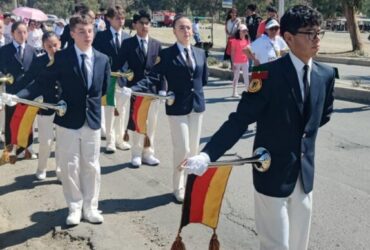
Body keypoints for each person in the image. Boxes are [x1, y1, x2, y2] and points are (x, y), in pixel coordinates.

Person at [184, 5, 334, 250]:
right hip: (271, 171)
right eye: (310, 33)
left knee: (299, 244)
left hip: (304, 175)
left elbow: (322, 116)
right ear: (288, 38)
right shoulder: (267, 74)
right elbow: (240, 120)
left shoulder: (324, 75)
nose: (317, 39)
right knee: (276, 245)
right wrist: (207, 154)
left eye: (319, 32)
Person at [4, 14, 110, 226]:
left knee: (91, 165)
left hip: (91, 120)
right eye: (81, 31)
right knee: (70, 165)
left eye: (90, 31)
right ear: (72, 34)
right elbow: (41, 82)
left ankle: (91, 207)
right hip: (68, 120)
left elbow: (103, 89)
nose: (87, 35)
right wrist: (18, 96)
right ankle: (75, 206)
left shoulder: (102, 59)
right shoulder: (62, 58)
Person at [135, 15, 208, 203]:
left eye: (189, 28)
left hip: (196, 106)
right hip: (177, 108)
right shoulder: (167, 55)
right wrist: (134, 88)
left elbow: (203, 79)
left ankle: (190, 183)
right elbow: (153, 77)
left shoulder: (200, 53)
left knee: (193, 150)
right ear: (174, 31)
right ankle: (179, 186)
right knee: (181, 148)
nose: (186, 31)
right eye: (181, 28)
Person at [118, 10, 162, 168]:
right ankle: (136, 154)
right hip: (135, 90)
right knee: (137, 121)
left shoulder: (156, 44)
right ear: (135, 25)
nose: (144, 26)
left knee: (151, 123)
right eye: (141, 23)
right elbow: (119, 66)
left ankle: (148, 153)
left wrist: (162, 89)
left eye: (147, 23)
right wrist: (124, 84)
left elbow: (161, 69)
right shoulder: (128, 44)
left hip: (152, 91)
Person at [16, 32, 62, 180]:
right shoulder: (39, 61)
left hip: (64, 106)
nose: (53, 49)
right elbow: (31, 83)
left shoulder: (67, 58)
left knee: (62, 141)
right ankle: (41, 168)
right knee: (46, 141)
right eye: (49, 46)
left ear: (59, 43)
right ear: (43, 46)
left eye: (55, 45)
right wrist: (17, 96)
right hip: (45, 106)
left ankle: (60, 171)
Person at [93, 6, 131, 153]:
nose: (121, 21)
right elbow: (97, 57)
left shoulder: (128, 37)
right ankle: (110, 141)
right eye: (117, 18)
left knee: (121, 111)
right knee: (110, 110)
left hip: (123, 80)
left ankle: (120, 139)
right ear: (109, 19)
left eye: (122, 18)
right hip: (108, 80)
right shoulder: (101, 37)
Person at [0, 21, 38, 159]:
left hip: (28, 91)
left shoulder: (32, 50)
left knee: (27, 120)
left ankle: (26, 148)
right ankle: (10, 148)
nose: (22, 35)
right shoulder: (4, 50)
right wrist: (3, 77)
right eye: (19, 32)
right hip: (11, 91)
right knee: (10, 120)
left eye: (25, 32)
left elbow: (35, 72)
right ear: (12, 33)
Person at [230, 24, 252, 97]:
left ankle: (248, 91)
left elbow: (249, 50)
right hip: (236, 61)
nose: (245, 32)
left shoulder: (247, 40)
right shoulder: (234, 41)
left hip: (245, 61)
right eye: (243, 31)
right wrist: (232, 63)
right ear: (239, 31)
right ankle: (234, 92)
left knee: (246, 77)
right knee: (236, 77)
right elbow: (232, 52)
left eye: (246, 31)